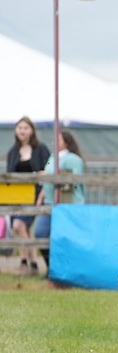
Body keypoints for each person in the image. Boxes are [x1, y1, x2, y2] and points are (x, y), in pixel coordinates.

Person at [33, 130, 86, 272]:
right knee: (40, 233)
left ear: (67, 142)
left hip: (69, 204)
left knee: (66, 238)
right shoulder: (52, 157)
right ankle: (52, 268)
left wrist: (51, 176)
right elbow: (47, 180)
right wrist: (42, 195)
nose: (54, 143)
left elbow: (74, 181)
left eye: (59, 140)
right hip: (50, 203)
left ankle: (69, 269)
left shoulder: (74, 159)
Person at [6, 117, 51, 275]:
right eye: (19, 128)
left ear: (31, 130)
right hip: (16, 197)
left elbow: (49, 169)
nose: (22, 131)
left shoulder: (41, 149)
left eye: (25, 128)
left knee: (19, 225)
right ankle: (32, 264)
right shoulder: (13, 152)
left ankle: (25, 261)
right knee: (19, 228)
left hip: (35, 196)